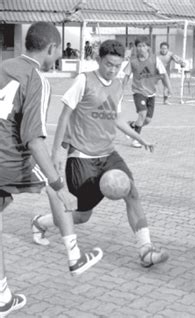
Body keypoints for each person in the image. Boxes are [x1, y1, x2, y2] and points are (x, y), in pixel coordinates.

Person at [31, 39, 169, 269]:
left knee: (132, 192)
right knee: (83, 216)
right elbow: (65, 115)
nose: (113, 70)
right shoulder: (83, 80)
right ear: (98, 60)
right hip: (82, 157)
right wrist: (57, 152)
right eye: (108, 64)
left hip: (108, 154)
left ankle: (145, 249)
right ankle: (41, 221)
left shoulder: (117, 85)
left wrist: (139, 137)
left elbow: (114, 117)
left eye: (117, 66)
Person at [0, 22, 102, 316]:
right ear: (52, 48)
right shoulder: (36, 79)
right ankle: (74, 256)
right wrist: (59, 184)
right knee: (53, 184)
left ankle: (4, 298)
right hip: (9, 161)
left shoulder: (4, 66)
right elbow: (33, 140)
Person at [122, 36, 173, 148]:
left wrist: (169, 88)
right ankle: (136, 139)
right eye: (139, 46)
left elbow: (164, 75)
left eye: (143, 46)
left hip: (151, 93)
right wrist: (120, 90)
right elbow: (126, 76)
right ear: (136, 48)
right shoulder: (133, 61)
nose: (141, 48)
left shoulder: (155, 59)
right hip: (138, 92)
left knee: (148, 120)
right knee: (142, 114)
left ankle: (131, 125)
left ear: (148, 47)